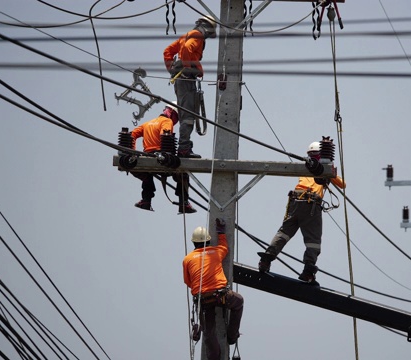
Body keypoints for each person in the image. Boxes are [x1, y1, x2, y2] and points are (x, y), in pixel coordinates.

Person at [257, 141, 346, 285]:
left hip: (295, 200)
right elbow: (343, 185)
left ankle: (266, 260)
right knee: (313, 241)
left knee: (284, 232)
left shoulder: (305, 165)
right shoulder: (323, 168)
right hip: (311, 204)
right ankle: (308, 272)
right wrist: (331, 172)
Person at [183, 219, 244, 360]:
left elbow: (188, 281)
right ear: (208, 241)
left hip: (202, 299)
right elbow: (224, 246)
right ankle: (232, 336)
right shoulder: (216, 252)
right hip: (220, 295)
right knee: (238, 301)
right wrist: (221, 231)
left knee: (209, 332)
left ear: (194, 243)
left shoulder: (187, 259)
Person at [163, 15, 217, 159]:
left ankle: (184, 146)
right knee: (187, 116)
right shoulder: (197, 35)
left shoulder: (187, 35)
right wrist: (189, 67)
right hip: (186, 80)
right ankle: (184, 149)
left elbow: (167, 52)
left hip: (181, 80)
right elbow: (187, 49)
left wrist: (172, 70)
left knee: (185, 114)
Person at [130, 102, 196, 214]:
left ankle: (146, 201)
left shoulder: (148, 123)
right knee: (183, 173)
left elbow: (132, 134)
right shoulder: (167, 121)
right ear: (172, 113)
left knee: (147, 177)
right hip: (162, 158)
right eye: (176, 118)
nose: (175, 122)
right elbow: (165, 135)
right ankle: (183, 203)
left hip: (147, 158)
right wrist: (168, 154)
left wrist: (132, 151)